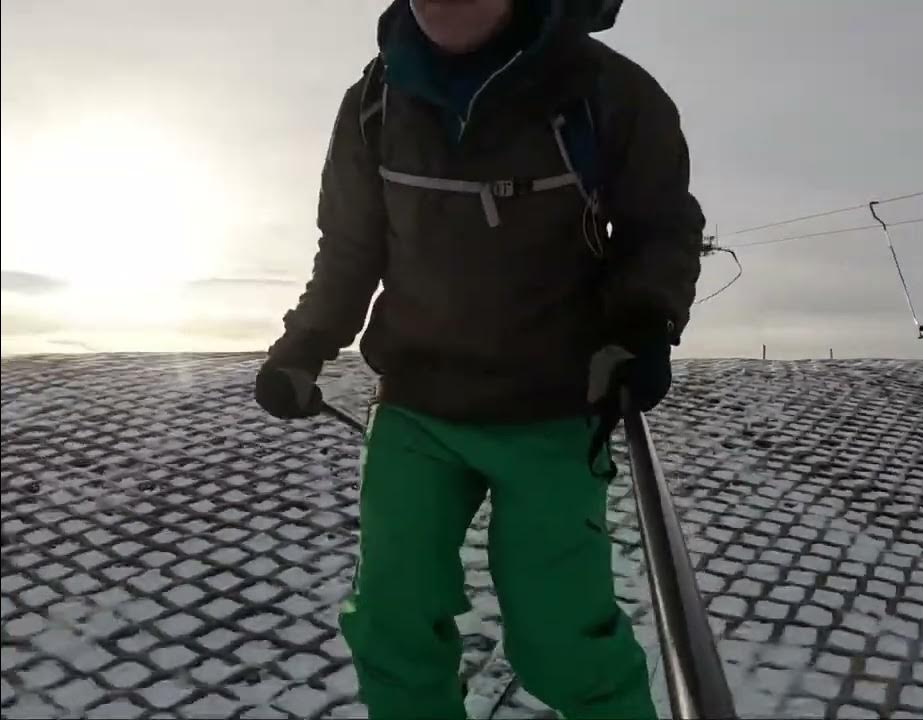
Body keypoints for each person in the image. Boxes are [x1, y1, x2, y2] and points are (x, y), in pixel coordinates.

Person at [252, 1, 704, 717]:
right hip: (416, 406)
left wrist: (645, 324)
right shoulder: (374, 103)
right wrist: (304, 345)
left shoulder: (606, 92)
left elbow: (662, 224)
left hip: (554, 410)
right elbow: (350, 248)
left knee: (564, 642)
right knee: (393, 627)